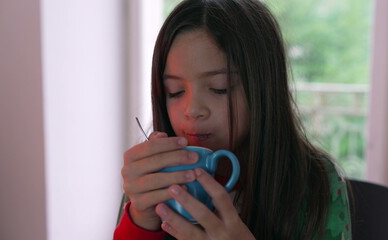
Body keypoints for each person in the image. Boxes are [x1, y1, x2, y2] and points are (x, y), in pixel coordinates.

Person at [114, 0, 352, 239]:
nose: (193, 109)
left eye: (220, 88)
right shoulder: (154, 175)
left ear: (264, 90)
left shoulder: (317, 185)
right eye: (175, 91)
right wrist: (141, 221)